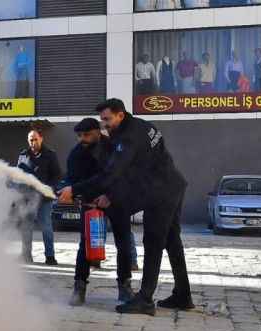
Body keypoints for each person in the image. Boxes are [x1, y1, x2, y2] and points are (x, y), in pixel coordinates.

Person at [59, 99, 193, 316]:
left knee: (153, 241)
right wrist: (110, 195)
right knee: (172, 241)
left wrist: (74, 190)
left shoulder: (128, 138)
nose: (104, 125)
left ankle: (145, 299)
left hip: (161, 192)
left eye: (107, 119)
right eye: (102, 120)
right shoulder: (139, 125)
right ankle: (183, 295)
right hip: (170, 185)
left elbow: (113, 174)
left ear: (120, 115)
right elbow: (131, 171)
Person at [61, 119, 136, 306]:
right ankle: (79, 288)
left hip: (116, 200)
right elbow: (72, 180)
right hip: (90, 203)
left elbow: (124, 175)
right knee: (85, 244)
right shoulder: (76, 154)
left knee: (124, 242)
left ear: (98, 132)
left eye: (86, 135)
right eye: (79, 136)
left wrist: (109, 195)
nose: (82, 139)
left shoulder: (114, 148)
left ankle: (125, 287)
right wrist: (75, 195)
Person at [17, 129, 61, 265]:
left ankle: (50, 257)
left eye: (35, 139)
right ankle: (26, 255)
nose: (33, 142)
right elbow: (18, 175)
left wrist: (48, 189)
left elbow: (57, 176)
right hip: (27, 198)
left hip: (44, 199)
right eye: (31, 139)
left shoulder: (50, 155)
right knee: (26, 228)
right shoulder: (23, 155)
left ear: (41, 139)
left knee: (46, 227)